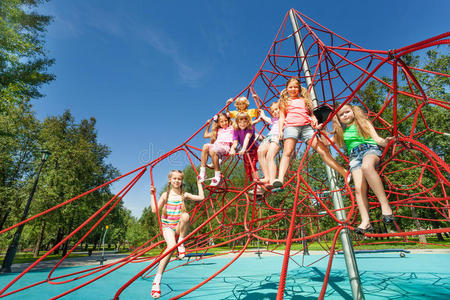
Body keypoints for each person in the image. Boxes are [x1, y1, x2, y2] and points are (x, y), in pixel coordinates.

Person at [323, 103, 394, 234]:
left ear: (354, 111)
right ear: (338, 119)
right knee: (359, 189)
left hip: (369, 150)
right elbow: (326, 142)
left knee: (367, 167)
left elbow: (378, 139)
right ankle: (366, 221)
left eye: (347, 112)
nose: (345, 115)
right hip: (354, 158)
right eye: (341, 115)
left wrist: (386, 142)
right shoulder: (342, 132)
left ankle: (385, 205)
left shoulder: (363, 123)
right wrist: (321, 128)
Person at [272, 77, 348, 189]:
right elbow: (282, 117)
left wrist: (314, 120)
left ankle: (344, 172)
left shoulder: (304, 100)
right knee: (287, 152)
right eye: (290, 87)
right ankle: (280, 179)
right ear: (287, 89)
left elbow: (311, 114)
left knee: (323, 150)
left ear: (299, 88)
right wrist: (280, 131)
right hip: (291, 126)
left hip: (306, 127)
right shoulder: (284, 102)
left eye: (295, 87)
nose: (293, 89)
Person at [150, 170, 205, 298]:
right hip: (168, 227)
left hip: (179, 227)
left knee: (185, 215)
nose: (176, 181)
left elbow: (201, 197)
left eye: (179, 179)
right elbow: (154, 210)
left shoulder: (183, 195)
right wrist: (152, 194)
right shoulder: (165, 195)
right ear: (170, 180)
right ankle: (157, 281)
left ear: (182, 181)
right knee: (170, 246)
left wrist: (199, 183)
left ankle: (181, 243)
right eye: (174, 178)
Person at [198, 113, 234, 186]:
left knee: (212, 150)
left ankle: (217, 175)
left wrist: (227, 108)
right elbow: (205, 135)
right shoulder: (218, 130)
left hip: (225, 147)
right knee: (205, 146)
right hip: (216, 146)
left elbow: (239, 126)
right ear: (218, 123)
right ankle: (203, 172)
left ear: (228, 120)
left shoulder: (231, 128)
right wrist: (208, 126)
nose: (224, 123)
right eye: (222, 122)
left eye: (225, 121)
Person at [229, 112, 261, 194]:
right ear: (237, 122)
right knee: (248, 170)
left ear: (248, 122)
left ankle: (258, 187)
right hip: (246, 152)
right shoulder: (236, 130)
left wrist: (243, 148)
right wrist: (232, 149)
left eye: (244, 122)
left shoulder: (250, 128)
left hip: (253, 149)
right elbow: (235, 142)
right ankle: (254, 187)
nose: (242, 124)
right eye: (240, 122)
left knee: (253, 166)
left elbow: (247, 137)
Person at [256, 102, 281, 188]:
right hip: (269, 136)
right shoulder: (273, 120)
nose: (275, 112)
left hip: (277, 137)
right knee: (260, 152)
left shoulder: (286, 118)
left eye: (277, 109)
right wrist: (261, 112)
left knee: (269, 156)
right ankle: (267, 176)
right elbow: (264, 117)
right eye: (272, 111)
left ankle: (272, 180)